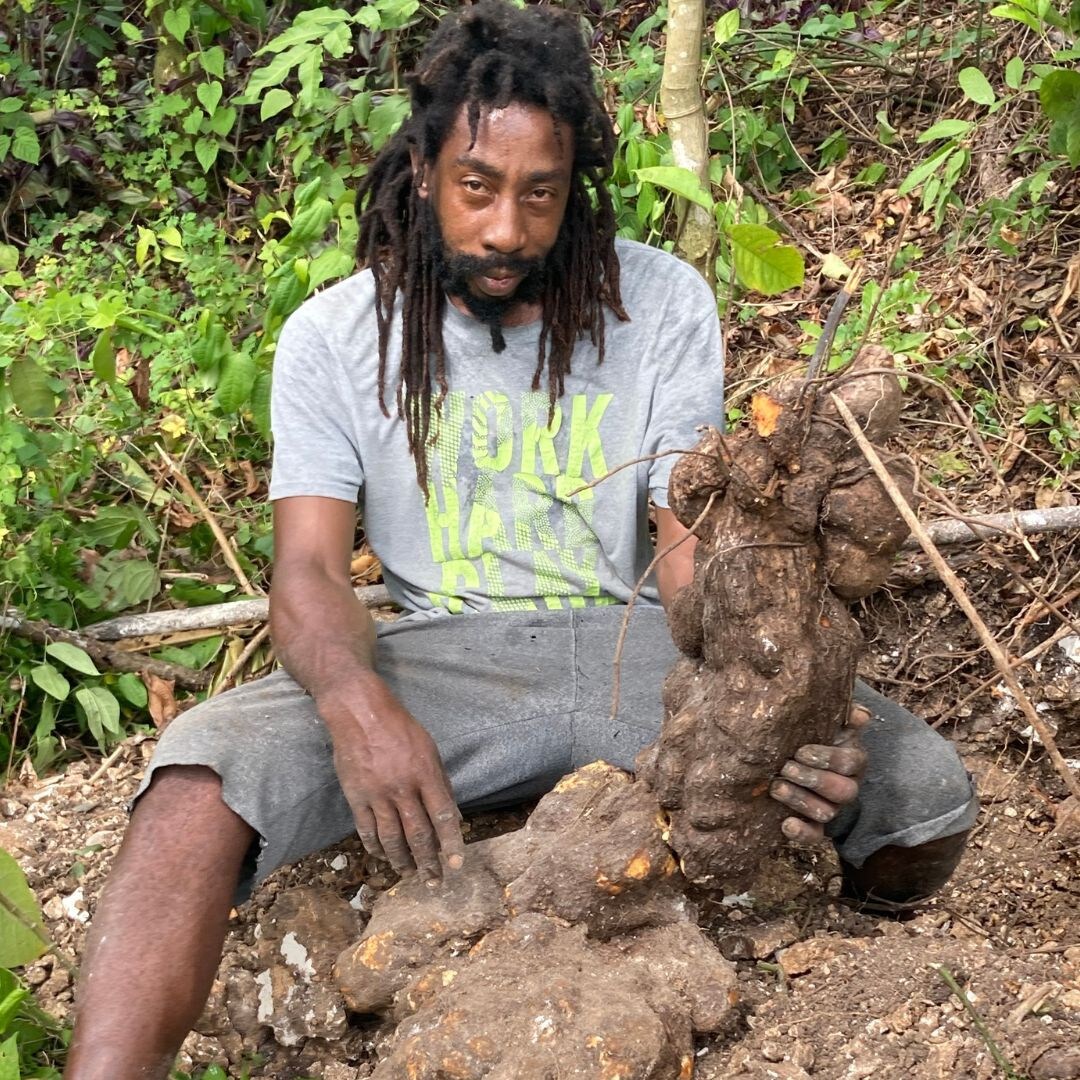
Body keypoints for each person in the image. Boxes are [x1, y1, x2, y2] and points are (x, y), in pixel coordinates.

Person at [64, 3, 978, 1076]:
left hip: (628, 649)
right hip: (434, 663)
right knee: (192, 792)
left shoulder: (663, 304)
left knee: (923, 793)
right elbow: (308, 571)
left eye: (538, 194)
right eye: (478, 188)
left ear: (573, 188)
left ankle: (838, 954)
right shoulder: (334, 337)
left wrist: (762, 700)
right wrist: (358, 708)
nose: (506, 228)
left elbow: (686, 544)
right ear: (423, 171)